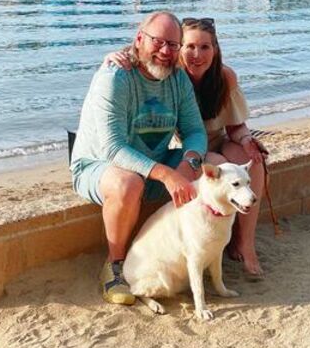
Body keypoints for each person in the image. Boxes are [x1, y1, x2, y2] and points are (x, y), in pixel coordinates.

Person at [104, 17, 267, 277]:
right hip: (189, 150)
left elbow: (236, 126)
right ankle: (205, 237)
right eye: (189, 46)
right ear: (179, 48)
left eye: (205, 47)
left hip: (216, 139)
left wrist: (248, 141)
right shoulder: (170, 72)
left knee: (252, 164)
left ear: (216, 49)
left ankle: (245, 243)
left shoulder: (224, 77)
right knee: (213, 164)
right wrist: (111, 57)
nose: (196, 54)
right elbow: (142, 56)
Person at [70, 11, 208, 306]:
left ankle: (195, 251)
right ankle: (115, 266)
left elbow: (195, 131)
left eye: (173, 45)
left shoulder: (178, 79)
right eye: (158, 42)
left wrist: (189, 163)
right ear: (139, 39)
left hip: (153, 163)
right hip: (99, 166)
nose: (165, 51)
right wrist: (167, 175)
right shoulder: (115, 77)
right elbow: (113, 148)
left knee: (214, 168)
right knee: (128, 184)